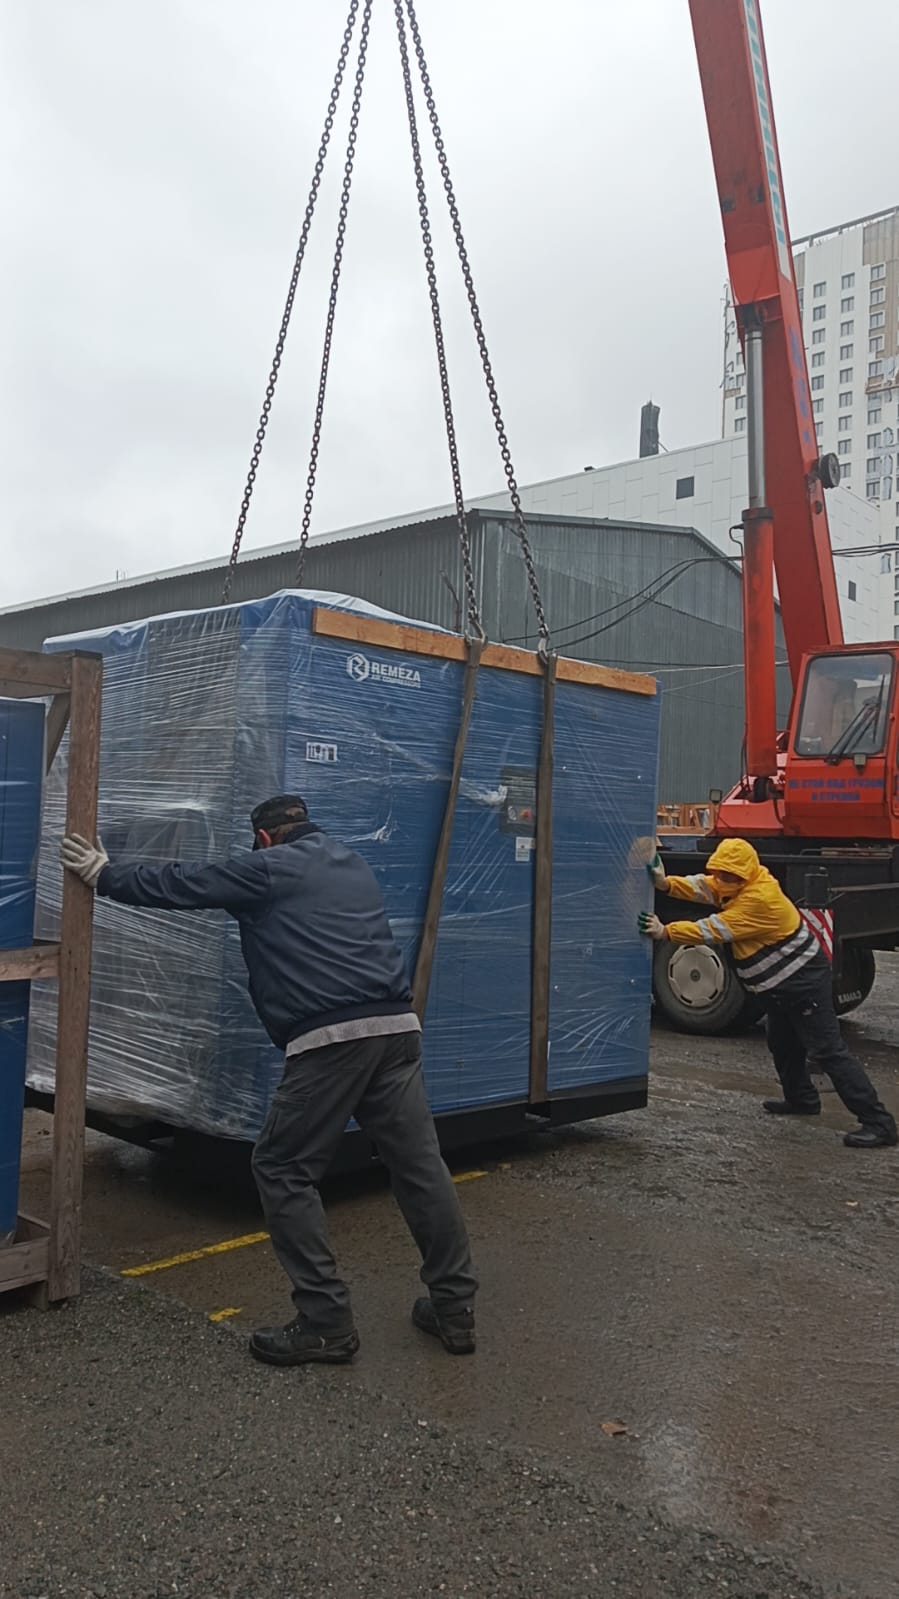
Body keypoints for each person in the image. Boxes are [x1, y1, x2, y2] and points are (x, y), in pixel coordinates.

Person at [61, 794, 478, 1363]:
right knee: (419, 1167)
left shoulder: (266, 869)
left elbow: (186, 883)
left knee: (282, 1168)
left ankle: (326, 1322)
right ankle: (455, 1309)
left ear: (262, 838)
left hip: (333, 1040)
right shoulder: (352, 863)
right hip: (397, 1030)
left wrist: (104, 874)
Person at [639, 837, 897, 1150]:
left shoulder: (760, 899)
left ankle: (879, 1123)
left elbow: (714, 929)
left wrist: (665, 931)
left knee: (828, 1051)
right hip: (779, 987)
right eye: (719, 872)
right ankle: (801, 1099)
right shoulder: (739, 882)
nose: (721, 880)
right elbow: (705, 887)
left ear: (744, 874)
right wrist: (667, 884)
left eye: (728, 875)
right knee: (782, 1043)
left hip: (802, 984)